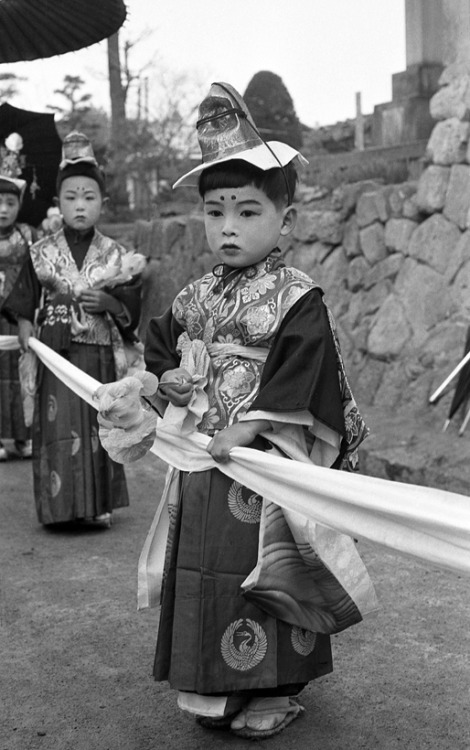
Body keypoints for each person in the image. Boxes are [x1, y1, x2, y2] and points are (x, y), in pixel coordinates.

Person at [98, 83, 375, 739]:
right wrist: (166, 374)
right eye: (215, 211)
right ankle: (214, 688)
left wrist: (250, 426)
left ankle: (273, 688)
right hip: (203, 462)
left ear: (286, 219)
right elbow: (164, 340)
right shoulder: (197, 293)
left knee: (264, 567)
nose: (228, 226)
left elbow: (304, 370)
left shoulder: (296, 296)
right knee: (203, 567)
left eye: (248, 212)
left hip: (262, 463)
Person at [4, 131, 143, 527]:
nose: (80, 206)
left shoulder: (117, 254)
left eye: (89, 197)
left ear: (103, 202)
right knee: (57, 426)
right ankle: (59, 509)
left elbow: (131, 305)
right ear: (57, 203)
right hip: (55, 352)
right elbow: (24, 296)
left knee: (96, 425)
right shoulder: (40, 250)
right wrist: (27, 323)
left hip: (97, 351)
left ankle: (97, 506)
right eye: (71, 197)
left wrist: (110, 303)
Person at [0, 132, 36, 460]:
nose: (3, 209)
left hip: (18, 316)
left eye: (10, 203)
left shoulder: (28, 236)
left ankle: (23, 436)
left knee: (22, 374)